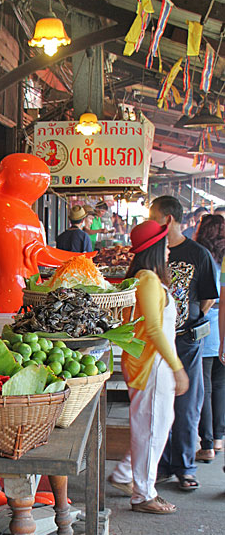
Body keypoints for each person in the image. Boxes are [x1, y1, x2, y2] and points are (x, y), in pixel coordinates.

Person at [108, 220, 188, 514]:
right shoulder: (149, 280)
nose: (169, 250)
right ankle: (143, 494)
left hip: (151, 363)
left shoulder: (147, 278)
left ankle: (126, 475)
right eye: (165, 246)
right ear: (155, 249)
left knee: (152, 426)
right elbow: (154, 329)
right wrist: (176, 367)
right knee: (152, 428)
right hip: (153, 365)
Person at [150, 196, 218, 491]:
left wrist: (187, 323)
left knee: (187, 404)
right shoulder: (154, 253)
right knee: (159, 402)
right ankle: (163, 464)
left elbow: (209, 297)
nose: (150, 223)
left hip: (186, 341)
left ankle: (186, 467)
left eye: (153, 218)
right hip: (157, 340)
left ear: (167, 220)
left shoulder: (198, 254)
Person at [194, 214, 225, 461]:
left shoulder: (202, 256)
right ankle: (218, 439)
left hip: (207, 329)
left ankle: (206, 445)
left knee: (204, 389)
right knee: (219, 387)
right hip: (222, 333)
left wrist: (198, 317)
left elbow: (212, 298)